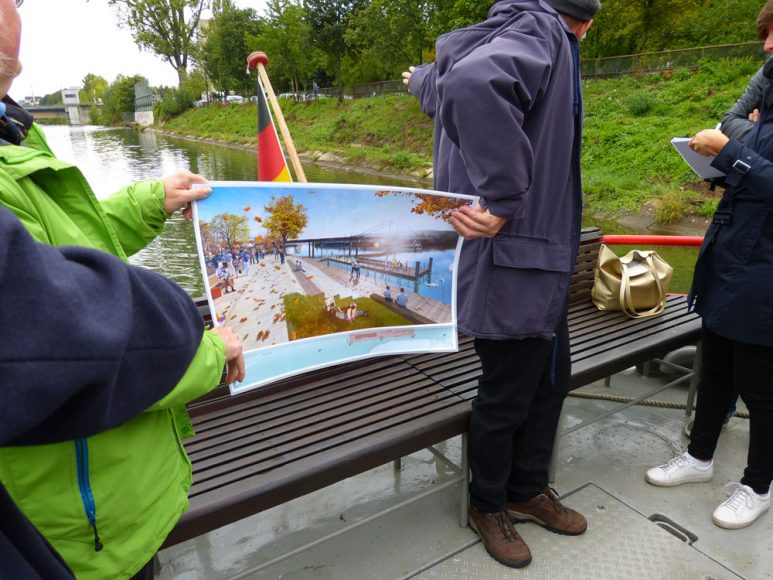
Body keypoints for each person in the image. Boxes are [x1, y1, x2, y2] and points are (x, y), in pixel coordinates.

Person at [0, 1, 245, 577]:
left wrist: (147, 202)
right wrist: (210, 350)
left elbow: (61, 255)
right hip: (77, 527)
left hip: (104, 498)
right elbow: (71, 347)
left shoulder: (12, 130)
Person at [403, 0, 598, 568]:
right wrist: (505, 195)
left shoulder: (497, 35)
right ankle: (487, 503)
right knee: (508, 395)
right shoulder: (542, 30)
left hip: (538, 261)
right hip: (513, 264)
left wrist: (421, 83)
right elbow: (471, 86)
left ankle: (526, 487)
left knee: (549, 383)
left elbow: (447, 86)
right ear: (584, 20)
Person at [0, 205, 244, 578]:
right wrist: (209, 350)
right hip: (85, 531)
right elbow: (88, 354)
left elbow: (68, 237)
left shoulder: (21, 153)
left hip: (112, 501)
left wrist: (144, 204)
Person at [645, 0, 773, 531]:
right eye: (767, 35)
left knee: (762, 386)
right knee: (715, 364)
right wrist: (746, 142)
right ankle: (698, 458)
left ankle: (758, 486)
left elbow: (735, 139)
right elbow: (730, 120)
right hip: (730, 252)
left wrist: (735, 147)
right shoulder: (769, 74)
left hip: (767, 269)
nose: (767, 46)